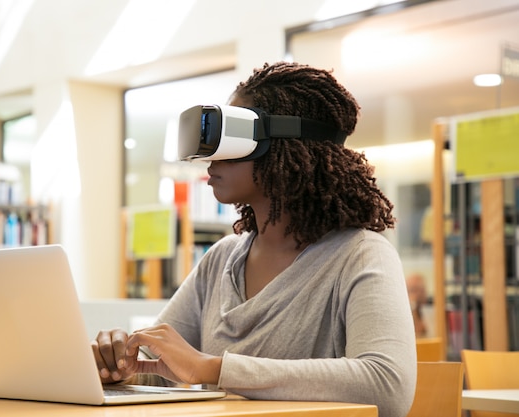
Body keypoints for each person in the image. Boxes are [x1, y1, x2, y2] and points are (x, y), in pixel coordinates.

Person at [92, 62, 417, 417]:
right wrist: (120, 365)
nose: (211, 158)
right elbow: (162, 367)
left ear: (284, 145)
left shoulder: (361, 255)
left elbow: (388, 384)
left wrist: (215, 369)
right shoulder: (222, 259)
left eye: (231, 137)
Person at [406, 273, 429, 337]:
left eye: (422, 290)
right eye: (414, 290)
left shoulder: (431, 311)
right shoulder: (404, 314)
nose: (419, 294)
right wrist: (413, 305)